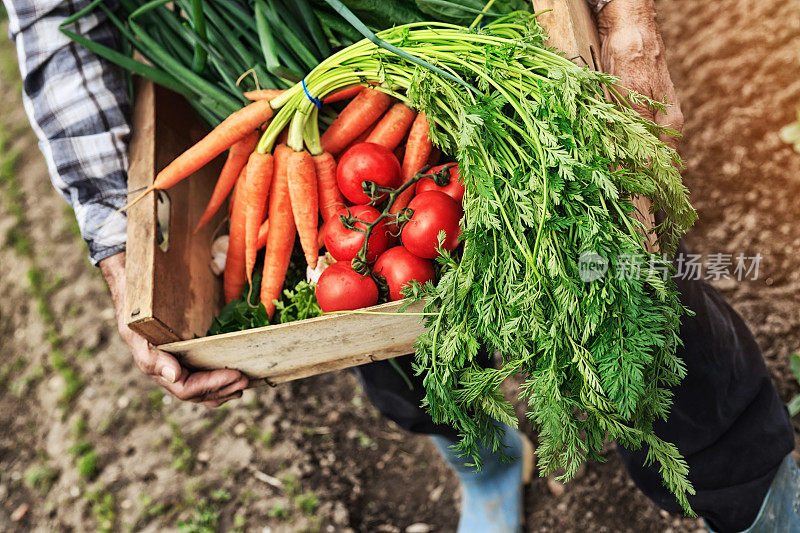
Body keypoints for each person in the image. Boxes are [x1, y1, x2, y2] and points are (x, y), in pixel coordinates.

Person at [4, 0, 798, 531]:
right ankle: (484, 456)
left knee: (638, 297)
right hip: (318, 110)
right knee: (388, 345)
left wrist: (628, 28)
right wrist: (123, 249)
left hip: (442, 36)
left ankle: (760, 493)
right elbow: (54, 17)